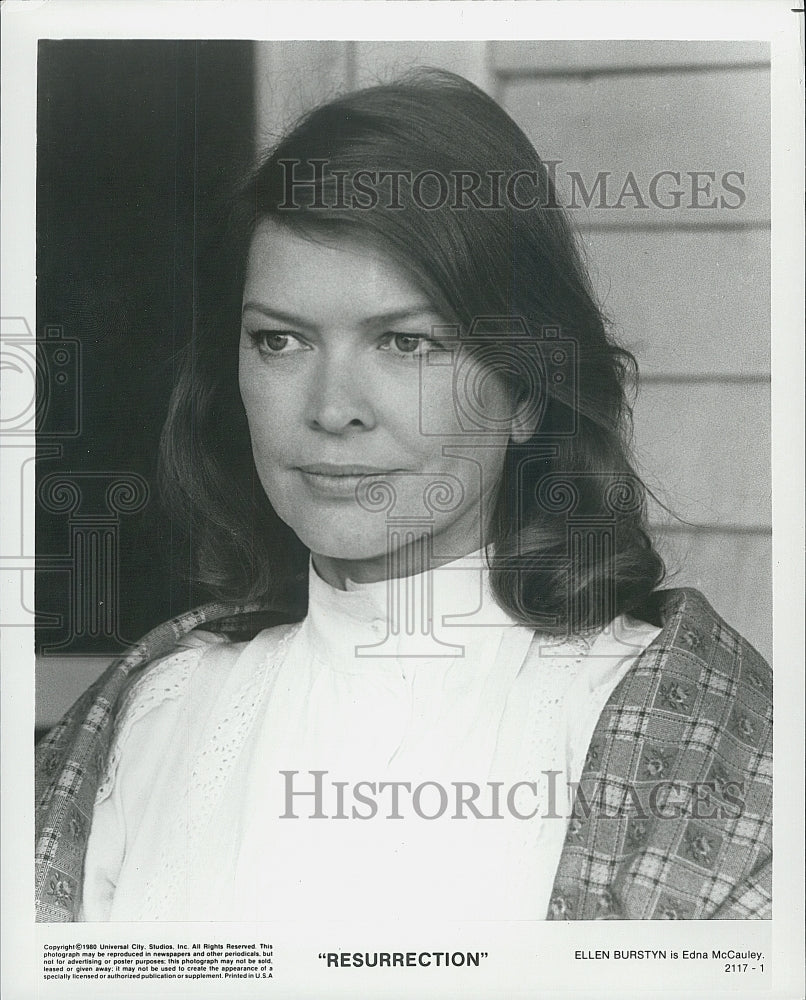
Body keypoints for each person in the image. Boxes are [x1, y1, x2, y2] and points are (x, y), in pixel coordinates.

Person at [35, 70, 771, 922]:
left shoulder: (672, 738)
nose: (331, 408)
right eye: (279, 340)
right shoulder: (159, 716)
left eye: (406, 344)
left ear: (529, 390)